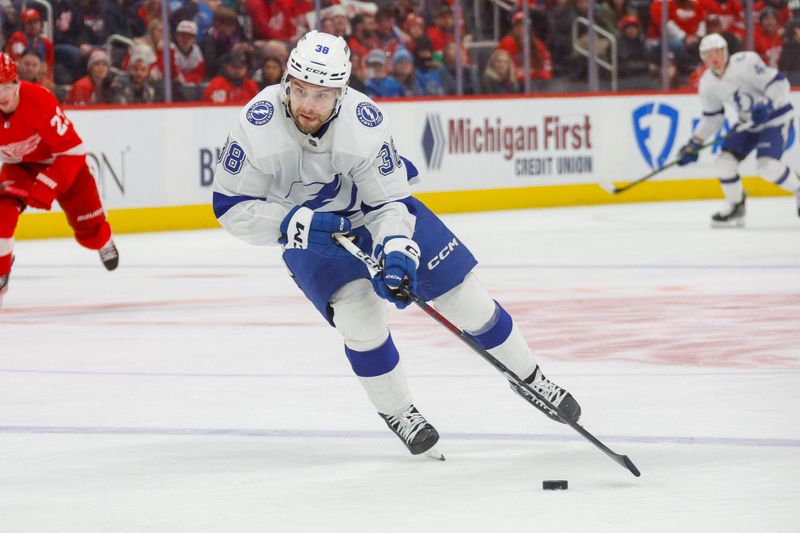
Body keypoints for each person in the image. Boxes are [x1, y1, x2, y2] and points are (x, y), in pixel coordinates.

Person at [211, 31, 581, 457]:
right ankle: (400, 411)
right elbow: (231, 207)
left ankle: (531, 378)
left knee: (467, 300)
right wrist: (296, 225)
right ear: (287, 83)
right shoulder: (256, 125)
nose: (307, 105)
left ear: (341, 93)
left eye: (321, 94)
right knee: (360, 318)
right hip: (306, 229)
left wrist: (397, 252)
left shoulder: (363, 122)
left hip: (372, 214)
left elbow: (390, 202)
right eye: (299, 91)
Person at [0, 53, 118, 305]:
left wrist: (48, 184)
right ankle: (1, 273)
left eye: (5, 85)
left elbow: (74, 150)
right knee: (2, 217)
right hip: (20, 166)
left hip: (62, 162)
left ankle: (104, 240)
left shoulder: (39, 100)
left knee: (90, 235)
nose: (1, 94)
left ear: (16, 83)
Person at [676, 34, 800, 226]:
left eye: (718, 52)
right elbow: (712, 118)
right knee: (724, 163)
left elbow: (779, 82)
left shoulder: (746, 62)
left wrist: (767, 103)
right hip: (748, 123)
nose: (714, 58)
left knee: (767, 166)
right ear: (702, 58)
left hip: (775, 118)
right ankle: (735, 206)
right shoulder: (707, 82)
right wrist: (695, 143)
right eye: (708, 54)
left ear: (726, 51)